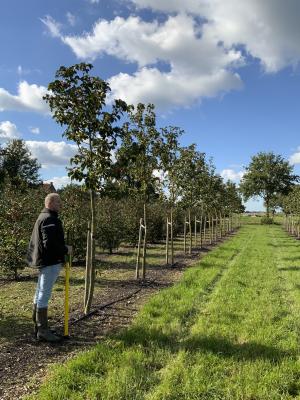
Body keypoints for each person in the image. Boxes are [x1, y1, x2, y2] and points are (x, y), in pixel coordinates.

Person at [27, 193, 71, 342]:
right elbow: (49, 243)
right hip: (50, 262)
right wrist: (65, 250)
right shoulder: (49, 219)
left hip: (45, 261)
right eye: (58, 202)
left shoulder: (43, 217)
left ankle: (38, 327)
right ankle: (43, 330)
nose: (61, 204)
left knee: (40, 292)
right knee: (44, 295)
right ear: (51, 203)